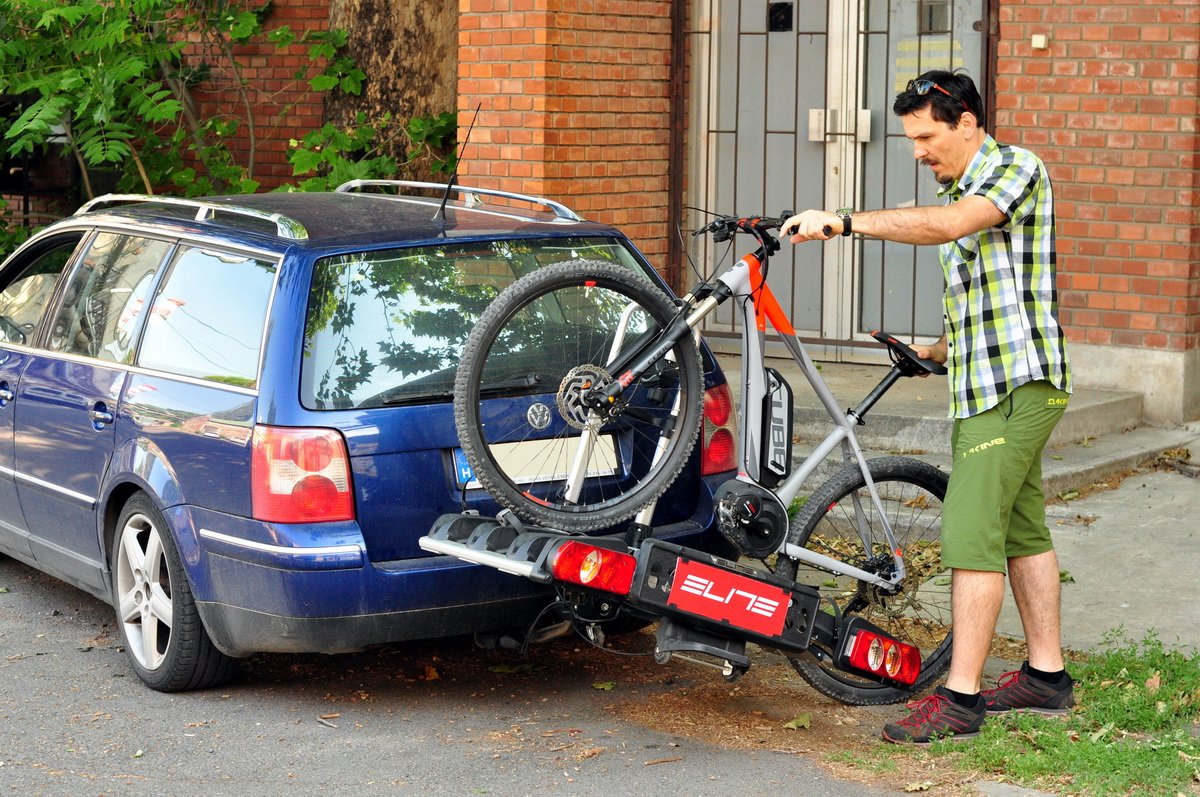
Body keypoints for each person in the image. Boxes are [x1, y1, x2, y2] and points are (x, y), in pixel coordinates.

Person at [781, 70, 1075, 744]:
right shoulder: (959, 184)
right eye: (911, 137)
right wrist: (935, 350)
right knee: (1021, 529)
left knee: (970, 535)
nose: (917, 149)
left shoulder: (1014, 170)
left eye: (925, 135)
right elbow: (990, 296)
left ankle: (960, 698)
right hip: (985, 381)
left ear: (966, 120)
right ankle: (1046, 676)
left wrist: (844, 222)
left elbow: (951, 226)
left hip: (1015, 384)